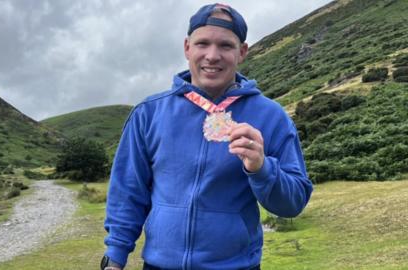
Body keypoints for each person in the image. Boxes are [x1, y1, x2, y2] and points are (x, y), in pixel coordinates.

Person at [102, 3, 313, 270]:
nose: (212, 56)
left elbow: (293, 203)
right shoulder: (149, 113)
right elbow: (128, 191)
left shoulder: (271, 117)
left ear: (242, 52)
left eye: (225, 46)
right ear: (187, 47)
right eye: (203, 44)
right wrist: (115, 257)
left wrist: (261, 168)